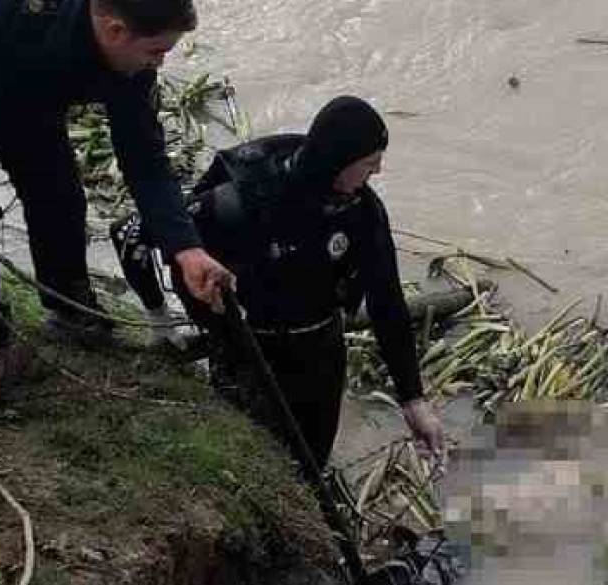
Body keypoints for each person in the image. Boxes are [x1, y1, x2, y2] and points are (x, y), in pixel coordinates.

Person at [0, 0, 234, 390]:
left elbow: (146, 163)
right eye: (157, 51)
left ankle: (68, 307)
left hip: (23, 94)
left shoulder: (131, 71)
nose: (159, 64)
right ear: (116, 30)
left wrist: (187, 250)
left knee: (60, 198)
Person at [114, 96, 445, 468]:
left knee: (313, 460)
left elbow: (387, 303)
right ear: (337, 161)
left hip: (321, 348)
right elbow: (131, 234)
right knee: (249, 460)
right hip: (247, 351)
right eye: (370, 162)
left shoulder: (361, 212)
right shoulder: (238, 204)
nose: (379, 170)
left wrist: (413, 400)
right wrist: (158, 316)